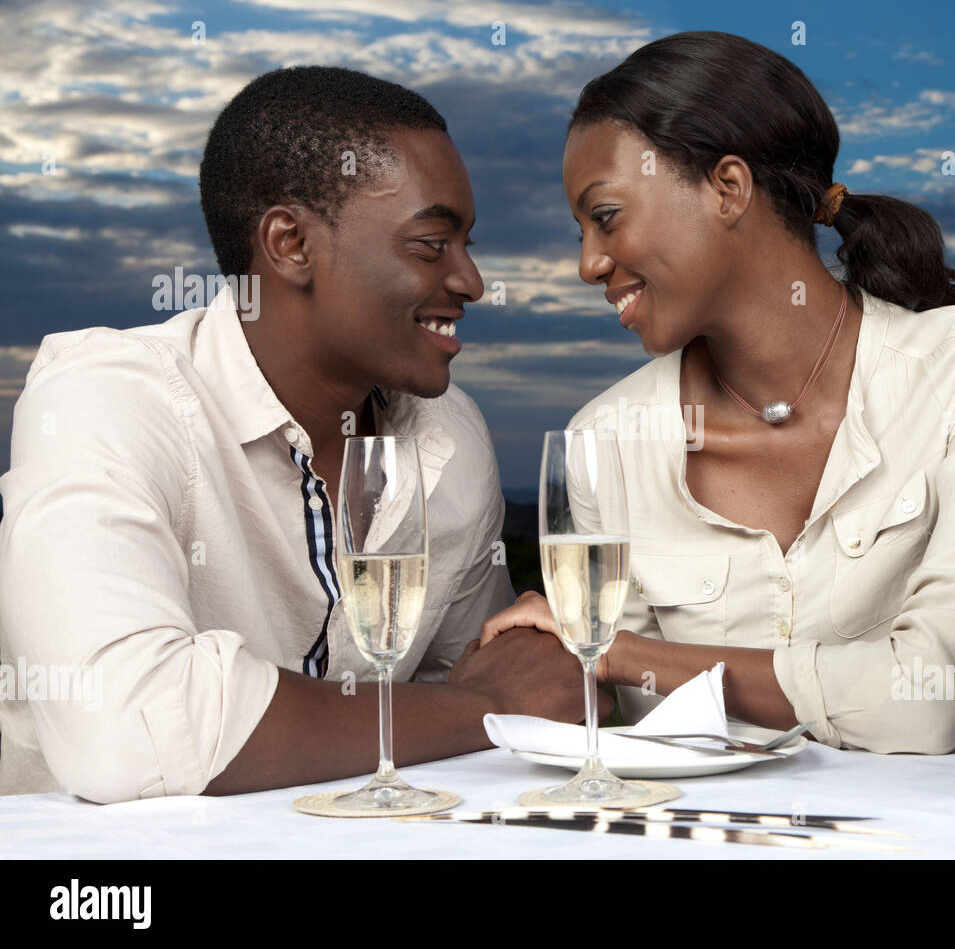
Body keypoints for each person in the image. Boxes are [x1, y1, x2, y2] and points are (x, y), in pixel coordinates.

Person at [0, 66, 593, 803]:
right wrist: (493, 710)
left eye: (466, 244)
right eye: (432, 244)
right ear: (290, 244)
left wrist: (509, 679)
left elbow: (470, 692)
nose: (471, 281)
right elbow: (126, 735)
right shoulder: (110, 399)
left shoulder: (450, 437)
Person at [481, 31, 955, 761]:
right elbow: (667, 738)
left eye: (606, 217)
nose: (589, 263)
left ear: (728, 188)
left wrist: (616, 651)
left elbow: (932, 703)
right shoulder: (604, 443)